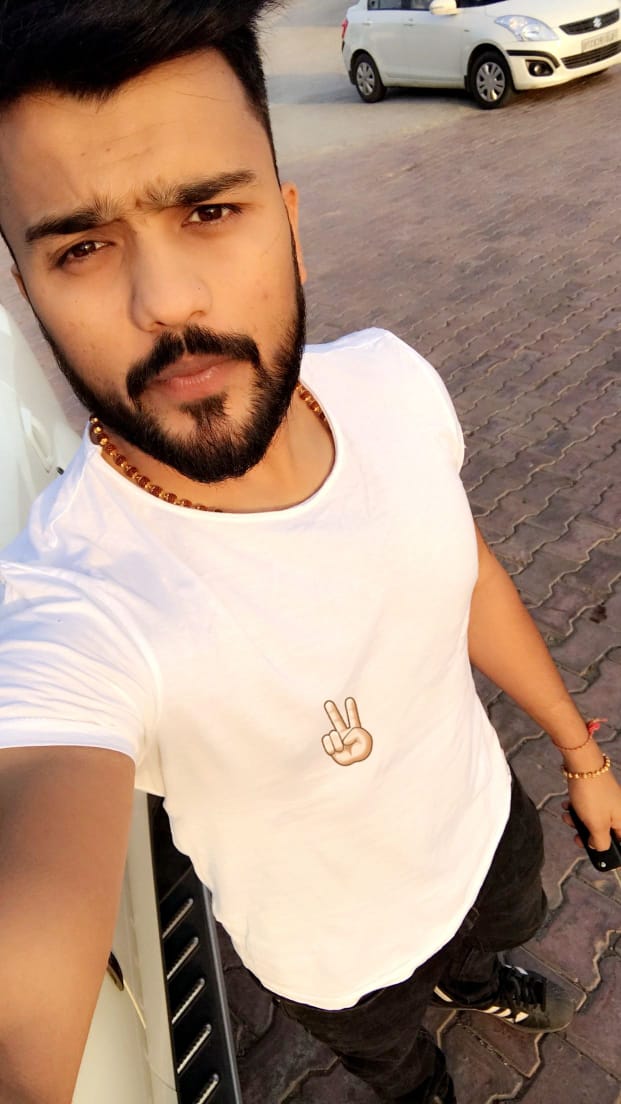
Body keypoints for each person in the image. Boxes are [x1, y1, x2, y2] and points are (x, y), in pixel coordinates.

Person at [0, 2, 619, 1102]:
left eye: (208, 210)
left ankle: (479, 980)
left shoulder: (389, 382)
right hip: (329, 960)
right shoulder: (74, 603)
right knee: (393, 1061)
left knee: (493, 939)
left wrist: (580, 755)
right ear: (27, 289)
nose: (166, 302)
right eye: (82, 247)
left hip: (482, 831)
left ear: (288, 223)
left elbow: (465, 568)